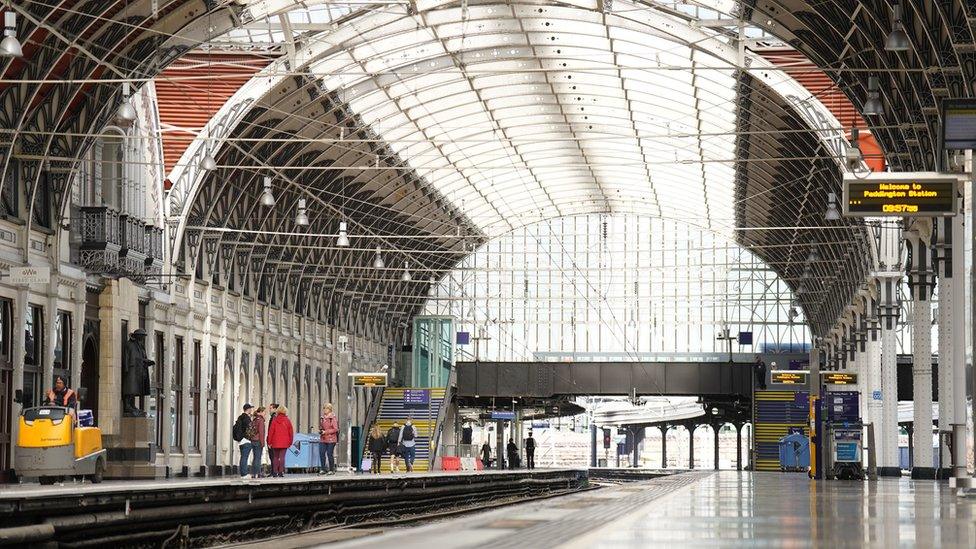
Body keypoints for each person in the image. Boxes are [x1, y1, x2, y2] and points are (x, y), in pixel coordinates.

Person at [267, 405, 294, 477]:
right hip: (284, 442)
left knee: (275, 457)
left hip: (275, 442)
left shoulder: (274, 420)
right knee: (282, 457)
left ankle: (275, 472)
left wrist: (269, 442)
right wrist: (290, 442)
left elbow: (271, 432)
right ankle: (281, 472)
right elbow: (291, 432)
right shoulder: (287, 420)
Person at [233, 404, 254, 478]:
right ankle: (244, 474)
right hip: (246, 440)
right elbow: (250, 430)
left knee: (243, 457)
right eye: (251, 408)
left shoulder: (240, 417)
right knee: (244, 457)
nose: (251, 410)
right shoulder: (247, 418)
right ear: (248, 409)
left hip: (241, 441)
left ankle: (243, 473)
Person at [319, 403, 339, 475]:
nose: (324, 410)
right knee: (321, 453)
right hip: (323, 438)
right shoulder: (322, 418)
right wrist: (321, 430)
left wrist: (326, 432)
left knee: (329, 453)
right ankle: (323, 469)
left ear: (329, 410)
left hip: (331, 439)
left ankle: (331, 469)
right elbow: (322, 427)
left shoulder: (332, 418)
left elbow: (336, 429)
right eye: (324, 408)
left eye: (326, 408)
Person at [248, 406, 267, 478]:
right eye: (264, 412)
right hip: (258, 441)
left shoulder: (254, 419)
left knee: (255, 457)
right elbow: (261, 432)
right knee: (258, 458)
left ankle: (253, 473)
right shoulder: (261, 420)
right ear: (261, 412)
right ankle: (258, 473)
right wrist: (262, 443)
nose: (265, 414)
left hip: (253, 440)